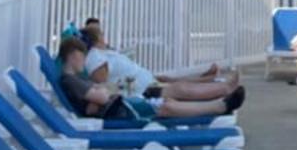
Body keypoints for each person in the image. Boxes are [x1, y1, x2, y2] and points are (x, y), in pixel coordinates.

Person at [57, 33, 244, 124]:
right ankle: (221, 105)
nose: (84, 60)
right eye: (81, 55)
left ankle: (221, 101)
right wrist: (100, 93)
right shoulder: (70, 80)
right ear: (73, 55)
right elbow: (101, 97)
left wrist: (99, 94)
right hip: (120, 109)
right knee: (168, 106)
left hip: (124, 103)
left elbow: (99, 95)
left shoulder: (76, 79)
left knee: (169, 102)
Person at [79, 17, 234, 102]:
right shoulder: (95, 58)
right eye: (101, 34)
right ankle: (222, 89)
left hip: (145, 82)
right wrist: (133, 87)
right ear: (97, 38)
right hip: (141, 91)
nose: (104, 36)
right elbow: (105, 87)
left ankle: (211, 81)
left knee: (175, 82)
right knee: (180, 89)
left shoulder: (103, 52)